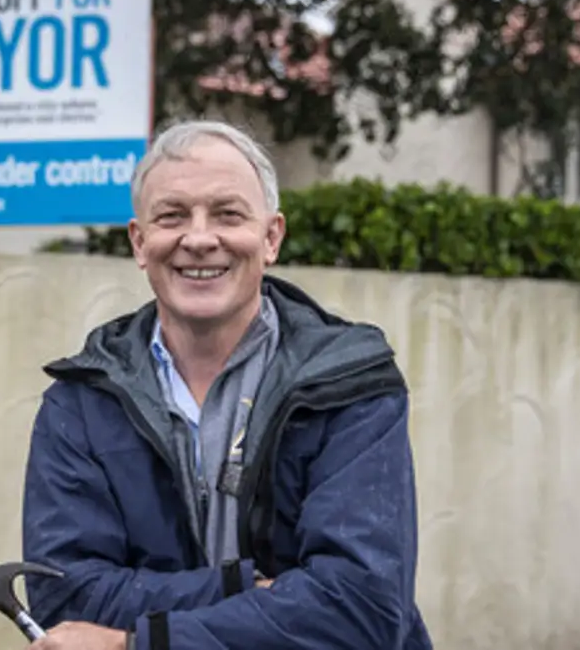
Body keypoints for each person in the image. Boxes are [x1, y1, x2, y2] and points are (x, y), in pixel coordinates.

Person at [21, 120, 433, 649]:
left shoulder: (350, 383)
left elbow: (360, 607)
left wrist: (139, 642)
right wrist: (242, 587)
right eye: (172, 216)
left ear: (271, 238)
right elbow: (66, 600)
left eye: (227, 214)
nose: (198, 239)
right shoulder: (80, 404)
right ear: (140, 242)